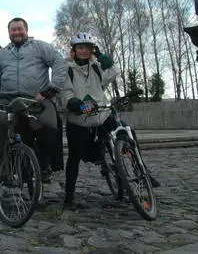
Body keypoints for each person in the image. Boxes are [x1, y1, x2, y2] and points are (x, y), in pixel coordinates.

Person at [59, 32, 160, 208]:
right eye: (80, 47)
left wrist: (103, 58)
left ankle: (141, 168)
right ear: (74, 50)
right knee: (74, 158)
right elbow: (65, 94)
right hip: (79, 119)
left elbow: (113, 73)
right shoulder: (67, 69)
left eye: (88, 48)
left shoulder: (96, 66)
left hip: (101, 114)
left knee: (127, 133)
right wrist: (75, 104)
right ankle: (69, 195)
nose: (84, 51)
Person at [0, 17, 68, 183]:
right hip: (9, 101)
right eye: (13, 30)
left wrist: (51, 89)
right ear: (8, 33)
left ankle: (44, 166)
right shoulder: (1, 55)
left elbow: (59, 62)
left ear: (26, 31)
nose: (16, 32)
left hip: (37, 100)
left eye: (19, 29)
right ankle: (4, 170)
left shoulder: (40, 47)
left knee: (50, 127)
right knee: (0, 129)